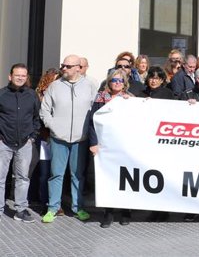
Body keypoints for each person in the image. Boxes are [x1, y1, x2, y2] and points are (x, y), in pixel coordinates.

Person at [40, 55, 96, 223]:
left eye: (68, 66)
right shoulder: (54, 86)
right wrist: (53, 127)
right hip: (59, 138)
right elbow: (44, 110)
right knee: (56, 174)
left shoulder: (90, 86)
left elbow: (99, 108)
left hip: (81, 138)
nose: (63, 68)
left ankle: (78, 208)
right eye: (63, 65)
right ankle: (53, 208)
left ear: (78, 68)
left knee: (77, 175)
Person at [88, 69, 133, 227]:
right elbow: (92, 121)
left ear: (125, 83)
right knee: (108, 178)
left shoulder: (130, 99)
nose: (117, 83)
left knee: (125, 178)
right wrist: (93, 143)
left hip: (123, 145)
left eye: (120, 81)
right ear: (109, 81)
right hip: (104, 144)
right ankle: (108, 212)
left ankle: (126, 211)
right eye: (114, 80)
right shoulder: (100, 98)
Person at [0, 63, 41, 223]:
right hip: (4, 142)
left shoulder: (32, 95)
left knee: (23, 178)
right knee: (0, 177)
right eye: (17, 75)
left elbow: (37, 118)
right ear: (10, 76)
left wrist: (32, 137)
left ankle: (21, 210)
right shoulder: (2, 95)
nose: (20, 78)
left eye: (23, 76)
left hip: (25, 143)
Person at [30, 68, 60, 210]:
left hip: (57, 138)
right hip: (44, 139)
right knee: (43, 172)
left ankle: (52, 201)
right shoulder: (40, 96)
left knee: (54, 172)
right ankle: (43, 202)